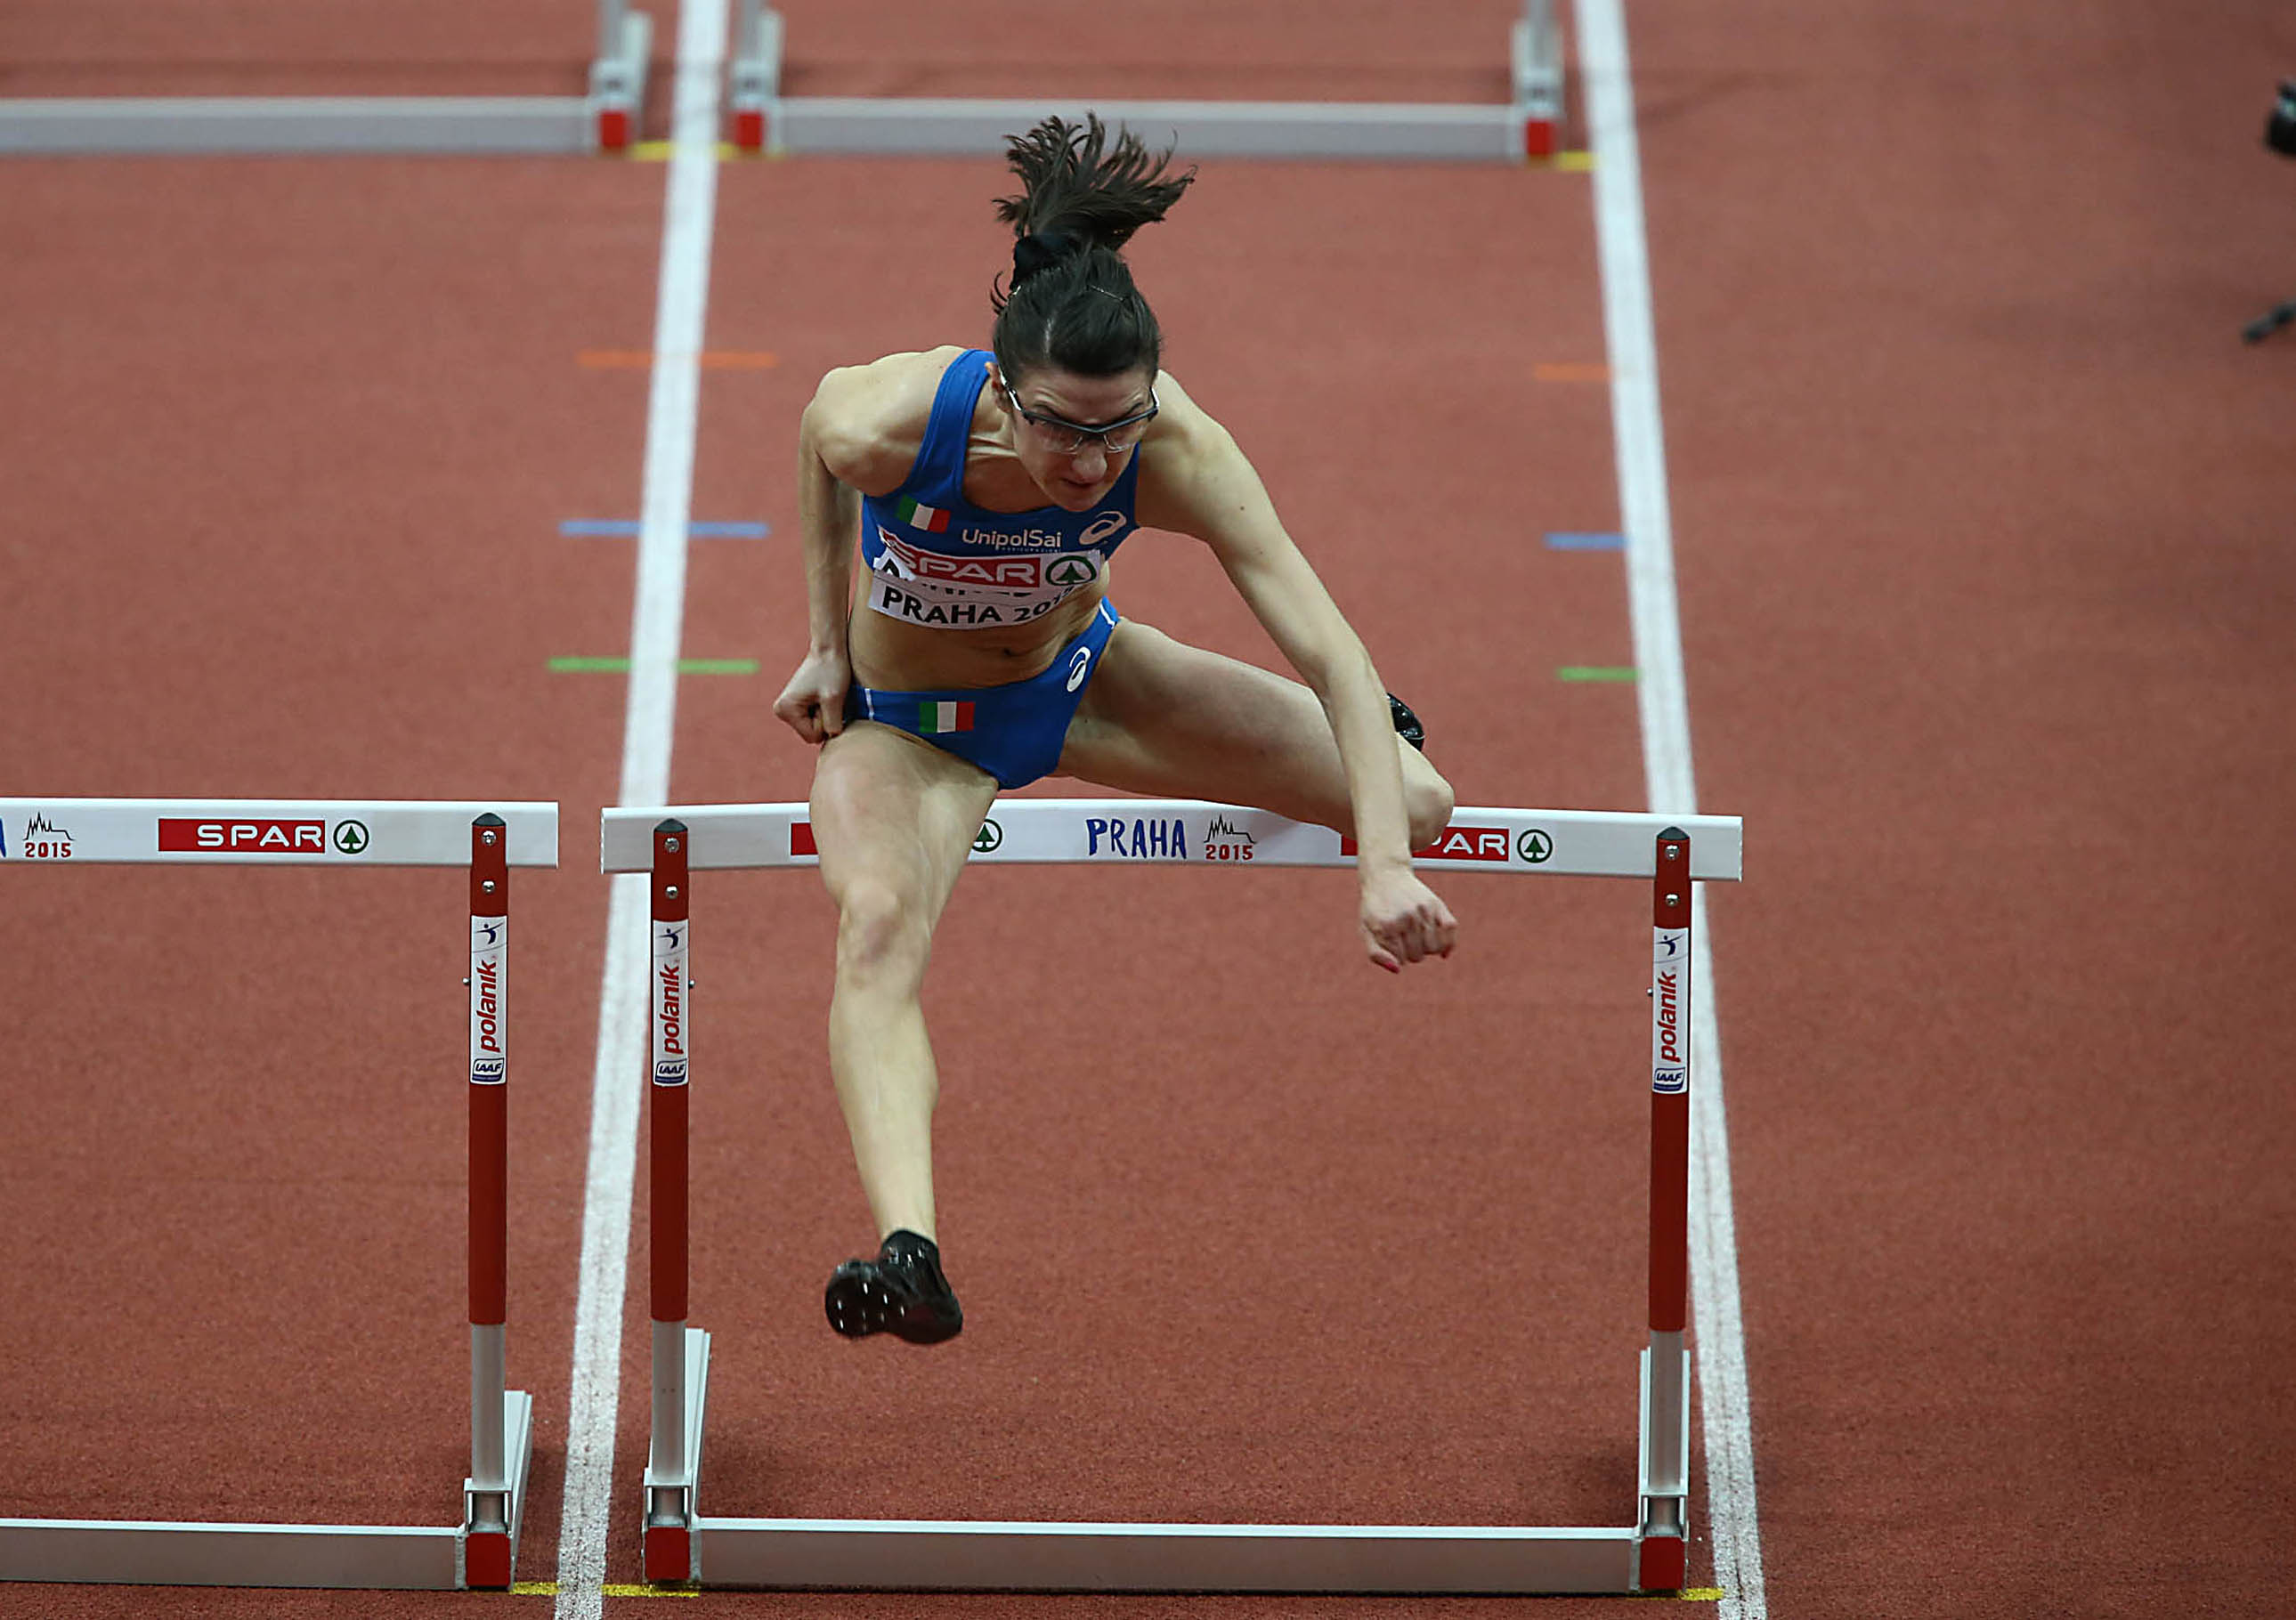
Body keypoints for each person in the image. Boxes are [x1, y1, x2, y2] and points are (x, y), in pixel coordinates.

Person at [772, 114, 1459, 1345]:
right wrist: (827, 642)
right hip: (916, 729)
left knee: (1413, 800)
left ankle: (1363, 747)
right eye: (1060, 427)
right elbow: (821, 458)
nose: (1091, 464)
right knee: (875, 926)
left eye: (1116, 427)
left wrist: (1384, 870)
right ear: (1003, 390)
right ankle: (912, 1254)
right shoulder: (891, 423)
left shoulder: (1176, 449)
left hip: (1086, 679)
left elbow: (1330, 644)